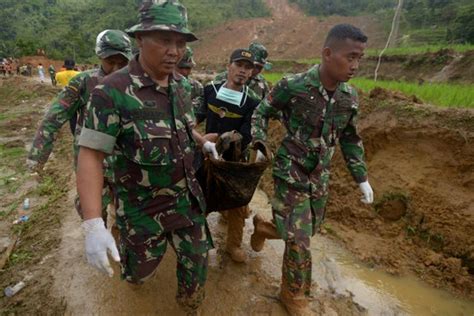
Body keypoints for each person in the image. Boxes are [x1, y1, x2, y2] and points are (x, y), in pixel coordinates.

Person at [76, 1, 216, 314]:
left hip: (187, 201)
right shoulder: (111, 91)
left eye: (180, 43)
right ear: (140, 40)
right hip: (142, 209)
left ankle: (189, 306)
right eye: (165, 40)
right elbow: (91, 155)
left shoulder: (181, 87)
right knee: (138, 275)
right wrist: (93, 224)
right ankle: (129, 258)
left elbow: (180, 126)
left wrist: (200, 142)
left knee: (197, 266)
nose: (174, 51)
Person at [250, 24, 374, 315]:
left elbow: (350, 139)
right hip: (290, 172)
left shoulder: (349, 97)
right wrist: (258, 142)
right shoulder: (292, 86)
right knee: (300, 241)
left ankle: (265, 227)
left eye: (360, 59)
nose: (355, 65)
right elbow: (262, 111)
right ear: (328, 53)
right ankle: (293, 296)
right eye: (350, 57)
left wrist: (362, 179)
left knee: (307, 230)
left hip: (320, 177)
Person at [27, 30, 133, 224]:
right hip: (92, 160)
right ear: (100, 56)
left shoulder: (134, 84)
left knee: (126, 213)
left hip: (126, 162)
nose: (116, 68)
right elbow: (54, 117)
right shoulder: (84, 82)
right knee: (92, 212)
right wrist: (38, 156)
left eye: (122, 62)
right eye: (111, 62)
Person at [195, 48, 260, 263]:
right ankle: (197, 239)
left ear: (251, 73)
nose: (242, 71)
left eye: (247, 68)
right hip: (208, 155)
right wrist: (199, 139)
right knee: (200, 197)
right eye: (239, 65)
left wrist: (226, 138)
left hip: (234, 161)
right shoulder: (209, 91)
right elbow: (194, 119)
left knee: (238, 204)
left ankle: (233, 245)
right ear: (229, 67)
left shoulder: (251, 102)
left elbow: (247, 134)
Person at [176, 46, 203, 113]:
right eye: (181, 68)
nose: (184, 72)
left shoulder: (197, 87)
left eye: (188, 68)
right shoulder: (160, 87)